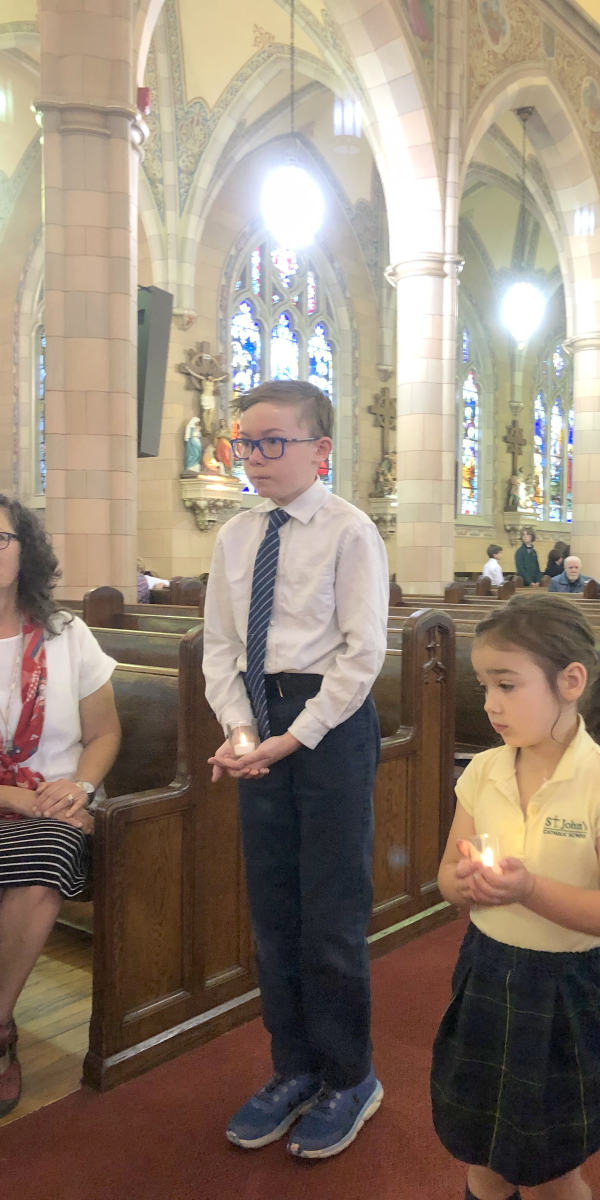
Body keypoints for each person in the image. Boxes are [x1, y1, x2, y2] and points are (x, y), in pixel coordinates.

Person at [203, 379, 389, 1158]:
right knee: (275, 911)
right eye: (246, 442)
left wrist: (296, 735)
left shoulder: (351, 532)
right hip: (262, 723)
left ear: (320, 450)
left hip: (331, 727)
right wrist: (242, 731)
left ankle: (350, 1076)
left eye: (273, 442)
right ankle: (293, 1068)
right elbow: (221, 648)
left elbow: (362, 654)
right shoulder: (236, 536)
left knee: (331, 913)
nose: (255, 457)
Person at [431, 593, 600, 1200]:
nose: (491, 705)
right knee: (484, 1156)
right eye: (483, 687)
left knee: (553, 1168)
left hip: (567, 990)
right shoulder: (483, 771)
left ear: (570, 681)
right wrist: (466, 885)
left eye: (507, 685)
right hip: (487, 974)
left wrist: (526, 889)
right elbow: (448, 875)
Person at [0, 498, 121, 1117]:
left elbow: (103, 733)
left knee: (48, 849)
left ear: (26, 550)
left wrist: (81, 788)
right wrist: (11, 795)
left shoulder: (66, 634)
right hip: (10, 801)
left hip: (55, 807)